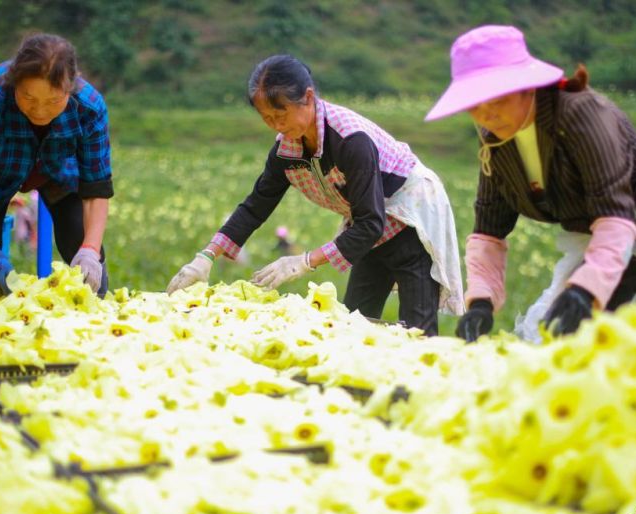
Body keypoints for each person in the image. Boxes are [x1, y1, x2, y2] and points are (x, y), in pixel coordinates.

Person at [425, 25, 636, 365]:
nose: (487, 115)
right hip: (595, 231)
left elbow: (615, 212)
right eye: (475, 105)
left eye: (497, 100)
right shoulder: (495, 142)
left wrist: (585, 290)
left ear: (526, 86)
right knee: (568, 339)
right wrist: (481, 303)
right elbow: (489, 229)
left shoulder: (581, 115)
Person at [168, 54, 464, 335]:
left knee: (417, 331)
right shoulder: (286, 149)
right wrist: (206, 256)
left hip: (411, 220)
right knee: (355, 322)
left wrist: (304, 261)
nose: (276, 125)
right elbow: (255, 206)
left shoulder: (350, 140)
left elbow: (370, 222)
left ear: (308, 98)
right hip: (367, 227)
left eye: (280, 113)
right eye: (267, 117)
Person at [0, 33, 112, 296]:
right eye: (28, 98)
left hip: (58, 173)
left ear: (71, 87)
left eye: (54, 100)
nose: (40, 111)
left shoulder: (89, 107)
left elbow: (96, 190)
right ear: (14, 83)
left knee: (84, 248)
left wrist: (89, 250)